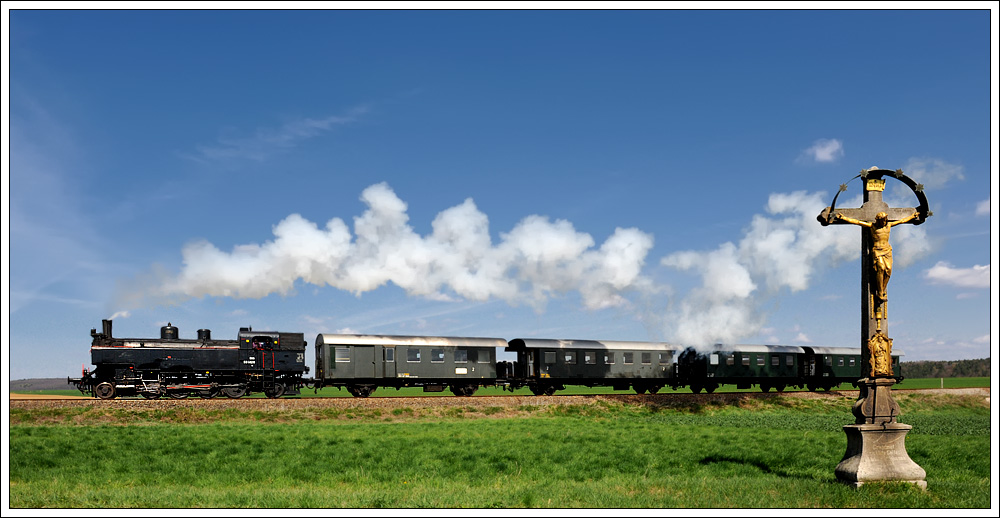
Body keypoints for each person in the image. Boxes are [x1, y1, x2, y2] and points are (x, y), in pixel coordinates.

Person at [835, 209, 920, 303]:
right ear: (878, 220)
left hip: (887, 250)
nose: (884, 221)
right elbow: (858, 222)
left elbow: (901, 221)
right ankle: (879, 292)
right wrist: (843, 218)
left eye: (885, 219)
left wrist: (912, 216)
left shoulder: (888, 226)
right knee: (881, 267)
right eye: (882, 220)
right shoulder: (872, 226)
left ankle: (882, 290)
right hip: (877, 250)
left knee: (888, 270)